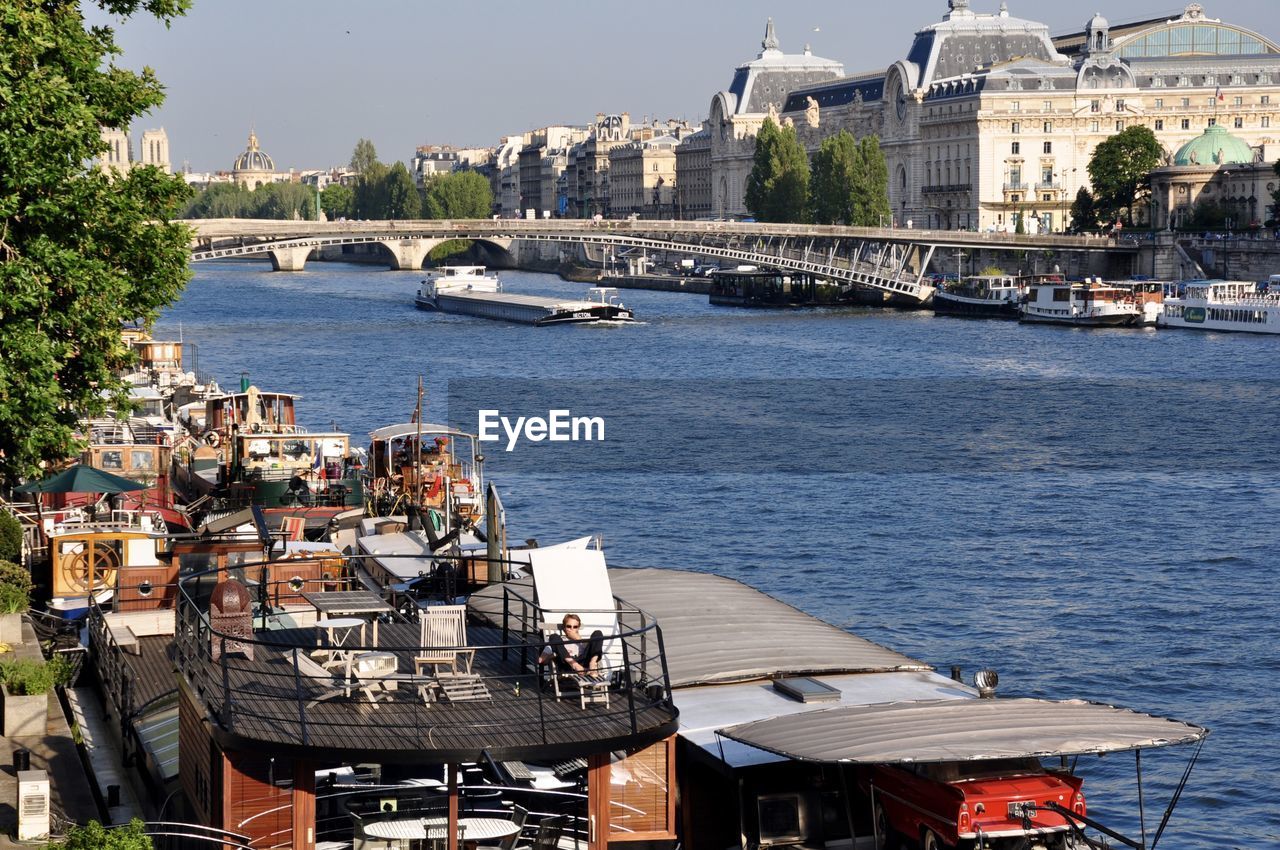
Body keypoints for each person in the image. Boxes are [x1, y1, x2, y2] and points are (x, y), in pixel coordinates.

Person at [540, 614, 604, 679]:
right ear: (564, 627)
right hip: (568, 665)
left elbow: (593, 649)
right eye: (569, 626)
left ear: (578, 628)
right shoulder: (558, 641)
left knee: (598, 633)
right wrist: (554, 655)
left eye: (575, 627)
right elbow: (541, 660)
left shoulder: (581, 640)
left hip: (584, 663)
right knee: (553, 636)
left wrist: (579, 639)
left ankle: (592, 665)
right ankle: (575, 665)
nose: (572, 629)